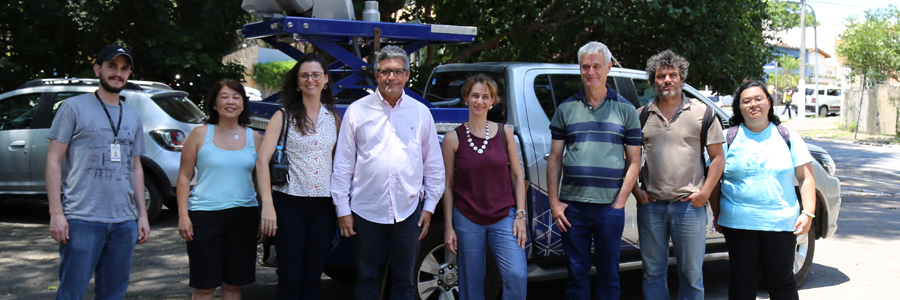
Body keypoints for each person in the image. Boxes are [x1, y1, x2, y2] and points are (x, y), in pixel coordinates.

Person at [331, 45, 445, 300]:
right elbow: (343, 165)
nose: (391, 77)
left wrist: (429, 208)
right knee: (365, 278)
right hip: (365, 210)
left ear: (406, 75)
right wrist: (343, 210)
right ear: (376, 75)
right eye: (385, 72)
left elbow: (434, 166)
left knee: (404, 282)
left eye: (397, 71)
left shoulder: (421, 112)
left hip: (408, 211)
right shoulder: (357, 111)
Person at [46, 44, 150, 299]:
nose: (118, 73)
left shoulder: (133, 116)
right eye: (112, 66)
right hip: (82, 219)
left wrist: (142, 215)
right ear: (98, 69)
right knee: (71, 292)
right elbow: (53, 160)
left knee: (113, 294)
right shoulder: (72, 108)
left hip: (124, 221)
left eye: (124, 68)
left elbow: (136, 167)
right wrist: (56, 213)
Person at [546, 41, 642, 300]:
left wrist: (620, 202)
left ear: (608, 67)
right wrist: (555, 202)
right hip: (572, 209)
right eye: (585, 66)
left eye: (596, 66)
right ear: (580, 69)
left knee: (609, 276)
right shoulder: (566, 108)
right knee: (576, 276)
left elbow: (635, 160)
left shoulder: (626, 110)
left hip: (609, 208)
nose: (591, 72)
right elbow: (555, 158)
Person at [710, 80, 816, 300]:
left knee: (782, 283)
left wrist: (808, 213)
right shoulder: (727, 138)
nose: (753, 104)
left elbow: (806, 178)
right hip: (738, 223)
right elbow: (713, 181)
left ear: (769, 102)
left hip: (781, 223)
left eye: (758, 99)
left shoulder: (788, 137)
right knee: (742, 285)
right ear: (739, 107)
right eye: (746, 101)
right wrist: (717, 214)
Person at [632, 50, 725, 300]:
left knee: (692, 276)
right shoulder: (641, 115)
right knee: (652, 274)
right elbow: (628, 158)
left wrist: (704, 193)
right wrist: (635, 189)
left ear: (682, 78)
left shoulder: (702, 113)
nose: (667, 80)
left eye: (673, 74)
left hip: (689, 207)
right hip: (651, 207)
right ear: (654, 81)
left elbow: (718, 158)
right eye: (661, 76)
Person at [256, 54, 341, 300]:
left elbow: (339, 164)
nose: (310, 80)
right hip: (288, 203)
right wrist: (268, 206)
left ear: (325, 79)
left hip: (323, 206)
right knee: (289, 277)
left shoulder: (333, 119)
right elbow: (262, 160)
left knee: (313, 277)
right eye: (304, 75)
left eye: (316, 75)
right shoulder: (283, 116)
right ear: (297, 81)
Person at [441, 74, 527, 299]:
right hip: (467, 217)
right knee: (471, 283)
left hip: (504, 216)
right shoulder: (453, 137)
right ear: (466, 98)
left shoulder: (503, 132)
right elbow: (448, 186)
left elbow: (518, 177)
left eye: (485, 97)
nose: (479, 101)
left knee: (517, 275)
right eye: (475, 95)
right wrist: (449, 227)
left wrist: (520, 215)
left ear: (493, 101)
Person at [175, 79, 262, 300]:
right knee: (205, 287)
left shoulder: (255, 137)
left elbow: (261, 180)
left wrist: (264, 214)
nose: (230, 102)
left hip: (244, 217)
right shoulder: (199, 134)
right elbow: (184, 177)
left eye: (236, 97)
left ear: (243, 103)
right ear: (214, 104)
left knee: (233, 285)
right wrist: (183, 216)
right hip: (204, 217)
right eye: (224, 97)